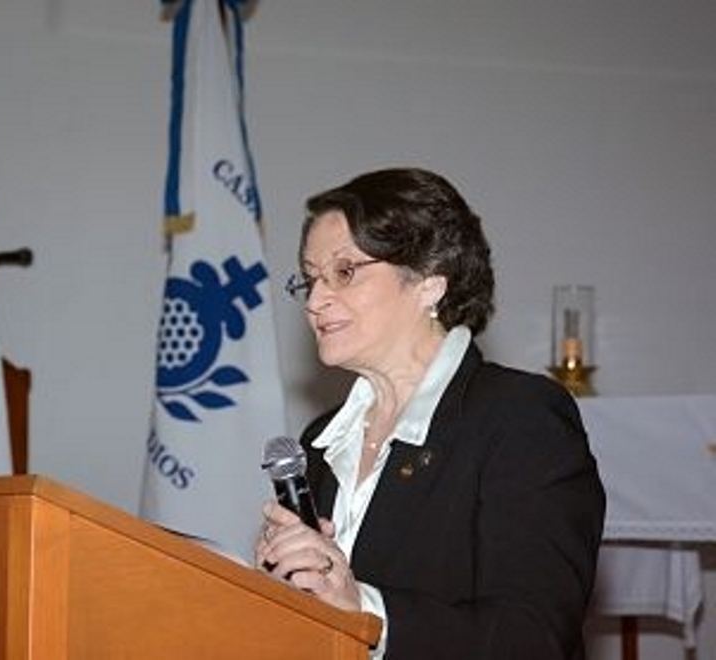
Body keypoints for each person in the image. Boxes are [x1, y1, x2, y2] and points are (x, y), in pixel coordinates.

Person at [255, 167, 605, 659]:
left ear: (428, 282)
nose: (315, 300)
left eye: (345, 271)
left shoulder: (521, 419)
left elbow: (533, 636)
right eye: (309, 279)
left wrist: (364, 611)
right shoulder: (321, 439)